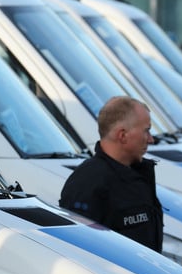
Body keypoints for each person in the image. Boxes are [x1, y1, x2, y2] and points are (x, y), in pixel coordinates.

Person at [59, 95, 163, 252]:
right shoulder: (87, 184)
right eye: (146, 131)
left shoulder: (137, 175)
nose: (151, 140)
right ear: (122, 135)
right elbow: (80, 252)